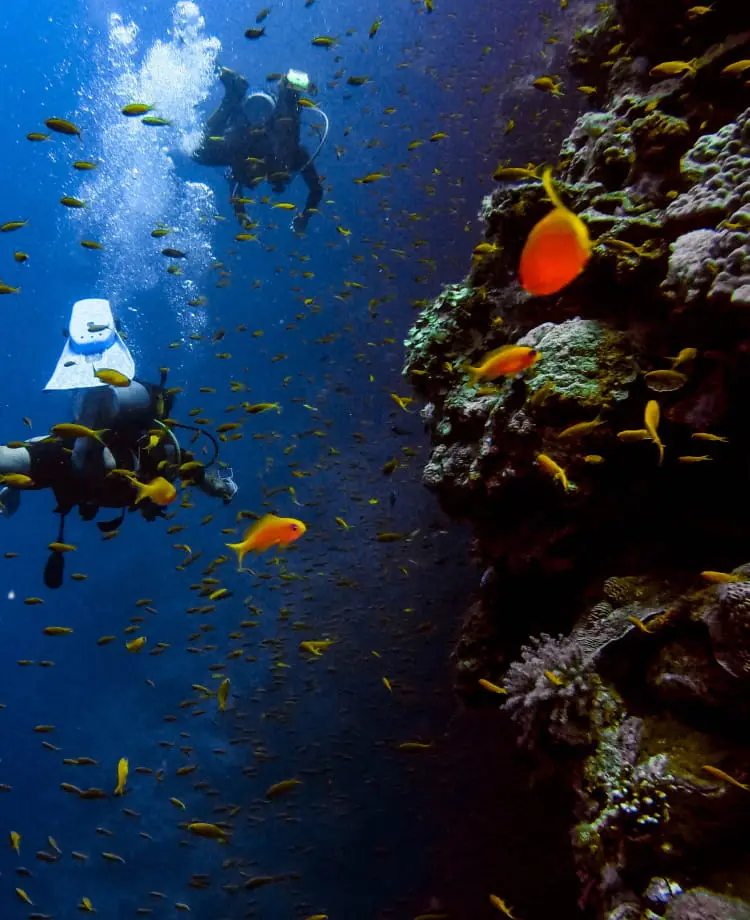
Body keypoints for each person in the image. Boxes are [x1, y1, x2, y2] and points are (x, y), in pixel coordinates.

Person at [0, 298, 238, 589]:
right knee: (54, 452)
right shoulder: (152, 432)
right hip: (107, 477)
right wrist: (220, 488)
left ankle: (32, 468)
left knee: (50, 452)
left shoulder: (121, 427)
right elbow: (192, 469)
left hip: (96, 471)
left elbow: (46, 450)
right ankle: (22, 475)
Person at [192, 67, 327, 232]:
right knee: (285, 132)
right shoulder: (291, 158)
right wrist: (305, 217)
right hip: (261, 126)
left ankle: (234, 96)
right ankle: (288, 93)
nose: (257, 175)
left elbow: (235, 186)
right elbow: (316, 189)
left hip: (248, 129)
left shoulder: (244, 160)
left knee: (199, 153)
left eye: (252, 177)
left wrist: (240, 213)